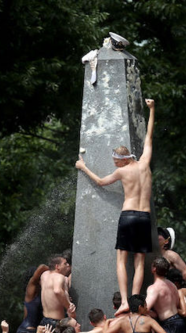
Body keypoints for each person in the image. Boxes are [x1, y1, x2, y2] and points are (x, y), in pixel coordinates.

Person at [75, 99, 156, 315]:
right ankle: (136, 299)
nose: (114, 164)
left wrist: (83, 167)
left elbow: (101, 182)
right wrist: (152, 109)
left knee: (121, 259)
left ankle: (124, 303)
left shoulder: (122, 171)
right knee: (139, 261)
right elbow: (148, 138)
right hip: (144, 216)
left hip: (129, 215)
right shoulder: (144, 163)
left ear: (121, 160)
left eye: (115, 160)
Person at [145, 257, 186, 333]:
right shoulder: (172, 285)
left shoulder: (154, 288)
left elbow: (144, 309)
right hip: (179, 321)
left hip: (169, 325)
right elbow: (177, 304)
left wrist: (154, 314)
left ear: (154, 269)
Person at [39, 254, 75, 333]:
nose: (68, 265)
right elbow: (57, 291)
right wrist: (68, 306)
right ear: (57, 267)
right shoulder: (59, 277)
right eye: (65, 263)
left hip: (45, 320)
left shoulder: (44, 275)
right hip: (57, 323)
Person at [16, 264, 48, 333]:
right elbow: (41, 267)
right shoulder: (30, 288)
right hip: (27, 332)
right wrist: (52, 271)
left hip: (32, 331)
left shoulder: (40, 291)